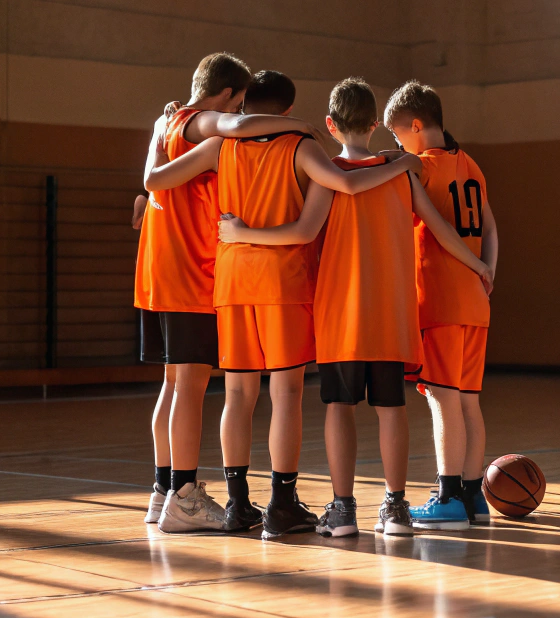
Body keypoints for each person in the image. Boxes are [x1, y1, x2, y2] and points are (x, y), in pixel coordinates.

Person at [144, 74, 424, 537]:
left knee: (237, 395)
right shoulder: (301, 146)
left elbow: (156, 182)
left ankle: (237, 504)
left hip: (232, 280)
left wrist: (158, 136)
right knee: (286, 395)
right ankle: (280, 503)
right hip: (283, 281)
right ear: (289, 109)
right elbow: (345, 184)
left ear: (244, 108)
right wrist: (400, 162)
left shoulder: (220, 146)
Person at [216, 78, 492, 539]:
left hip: (340, 313)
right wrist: (478, 264)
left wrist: (241, 234)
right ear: (376, 123)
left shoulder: (327, 176)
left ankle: (343, 509)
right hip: (392, 312)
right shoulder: (401, 173)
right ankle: (396, 508)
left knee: (339, 408)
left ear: (330, 124)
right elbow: (442, 229)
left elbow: (303, 232)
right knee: (392, 408)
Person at [135, 53, 317, 534]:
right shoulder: (211, 129)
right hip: (198, 273)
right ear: (230, 96)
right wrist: (300, 125)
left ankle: (165, 490)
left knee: (177, 384)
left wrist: (155, 136)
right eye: (236, 105)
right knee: (197, 387)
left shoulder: (171, 128)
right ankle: (185, 495)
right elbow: (235, 125)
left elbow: (151, 184)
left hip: (170, 271)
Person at [383, 81, 498, 529]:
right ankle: (473, 497)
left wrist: (475, 264)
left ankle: (448, 497)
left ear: (415, 126)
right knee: (468, 401)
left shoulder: (423, 168)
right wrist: (488, 270)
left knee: (441, 398)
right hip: (475, 299)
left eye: (397, 135)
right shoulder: (470, 164)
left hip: (442, 298)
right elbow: (490, 226)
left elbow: (441, 231)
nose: (397, 145)